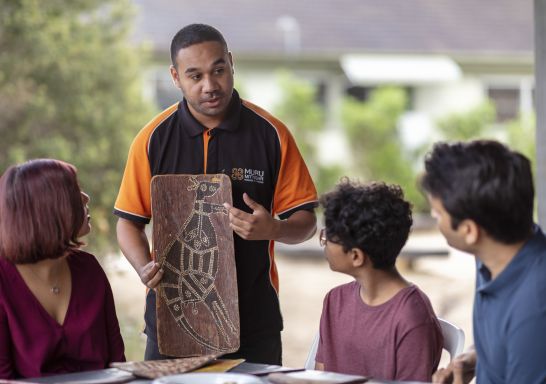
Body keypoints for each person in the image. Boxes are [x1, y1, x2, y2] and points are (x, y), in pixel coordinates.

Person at [114, 23, 317, 364]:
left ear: (231, 63)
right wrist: (143, 266)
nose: (210, 86)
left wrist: (275, 230)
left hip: (254, 328)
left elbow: (306, 221)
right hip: (170, 324)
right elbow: (128, 222)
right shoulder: (152, 139)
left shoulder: (272, 134)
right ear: (175, 77)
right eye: (195, 76)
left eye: (218, 70)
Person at [422, 140, 546, 384]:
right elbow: (510, 342)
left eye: (437, 213)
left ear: (470, 230)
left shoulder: (535, 307)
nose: (436, 220)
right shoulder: (495, 255)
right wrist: (473, 357)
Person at [0, 159, 125, 379]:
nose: (86, 198)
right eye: (74, 190)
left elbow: (117, 365)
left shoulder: (89, 269)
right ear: (45, 209)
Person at [315, 179, 442, 381]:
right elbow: (319, 377)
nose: (324, 242)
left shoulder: (412, 317)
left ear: (356, 256)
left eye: (328, 236)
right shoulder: (334, 301)